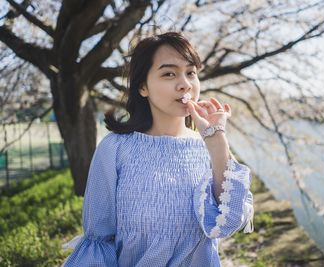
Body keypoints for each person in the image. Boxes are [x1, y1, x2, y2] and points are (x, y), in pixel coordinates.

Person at [62, 32, 254, 267]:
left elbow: (229, 222)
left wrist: (217, 142)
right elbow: (99, 238)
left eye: (191, 72)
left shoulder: (210, 146)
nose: (185, 84)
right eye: (169, 73)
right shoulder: (115, 148)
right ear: (143, 87)